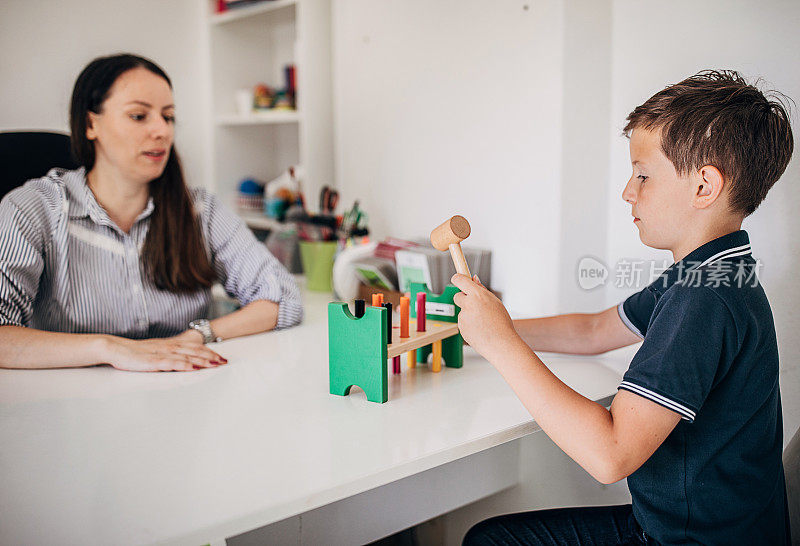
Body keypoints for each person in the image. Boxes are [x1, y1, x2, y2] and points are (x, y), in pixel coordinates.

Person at [457, 70, 793, 545]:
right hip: (703, 530)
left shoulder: (703, 300)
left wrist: (502, 345)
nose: (627, 191)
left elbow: (610, 454)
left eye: (642, 174)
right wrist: (491, 323)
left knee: (490, 541)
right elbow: (595, 331)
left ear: (703, 187)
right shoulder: (714, 271)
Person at [0, 54, 302, 372]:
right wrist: (110, 349)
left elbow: (283, 298)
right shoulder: (31, 209)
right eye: (139, 116)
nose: (162, 131)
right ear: (91, 124)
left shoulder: (201, 211)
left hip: (185, 391)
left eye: (168, 117)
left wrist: (199, 335)